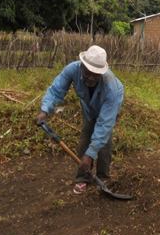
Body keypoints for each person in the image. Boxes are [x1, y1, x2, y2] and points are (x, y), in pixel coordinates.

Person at [35, 45, 124, 195]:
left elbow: (104, 123)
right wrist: (45, 110)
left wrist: (91, 154)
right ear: (82, 65)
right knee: (86, 135)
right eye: (87, 73)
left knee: (103, 138)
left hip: (107, 106)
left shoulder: (111, 87)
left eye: (96, 75)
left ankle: (103, 177)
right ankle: (83, 177)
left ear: (101, 74)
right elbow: (56, 90)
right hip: (88, 105)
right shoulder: (72, 69)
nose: (91, 78)